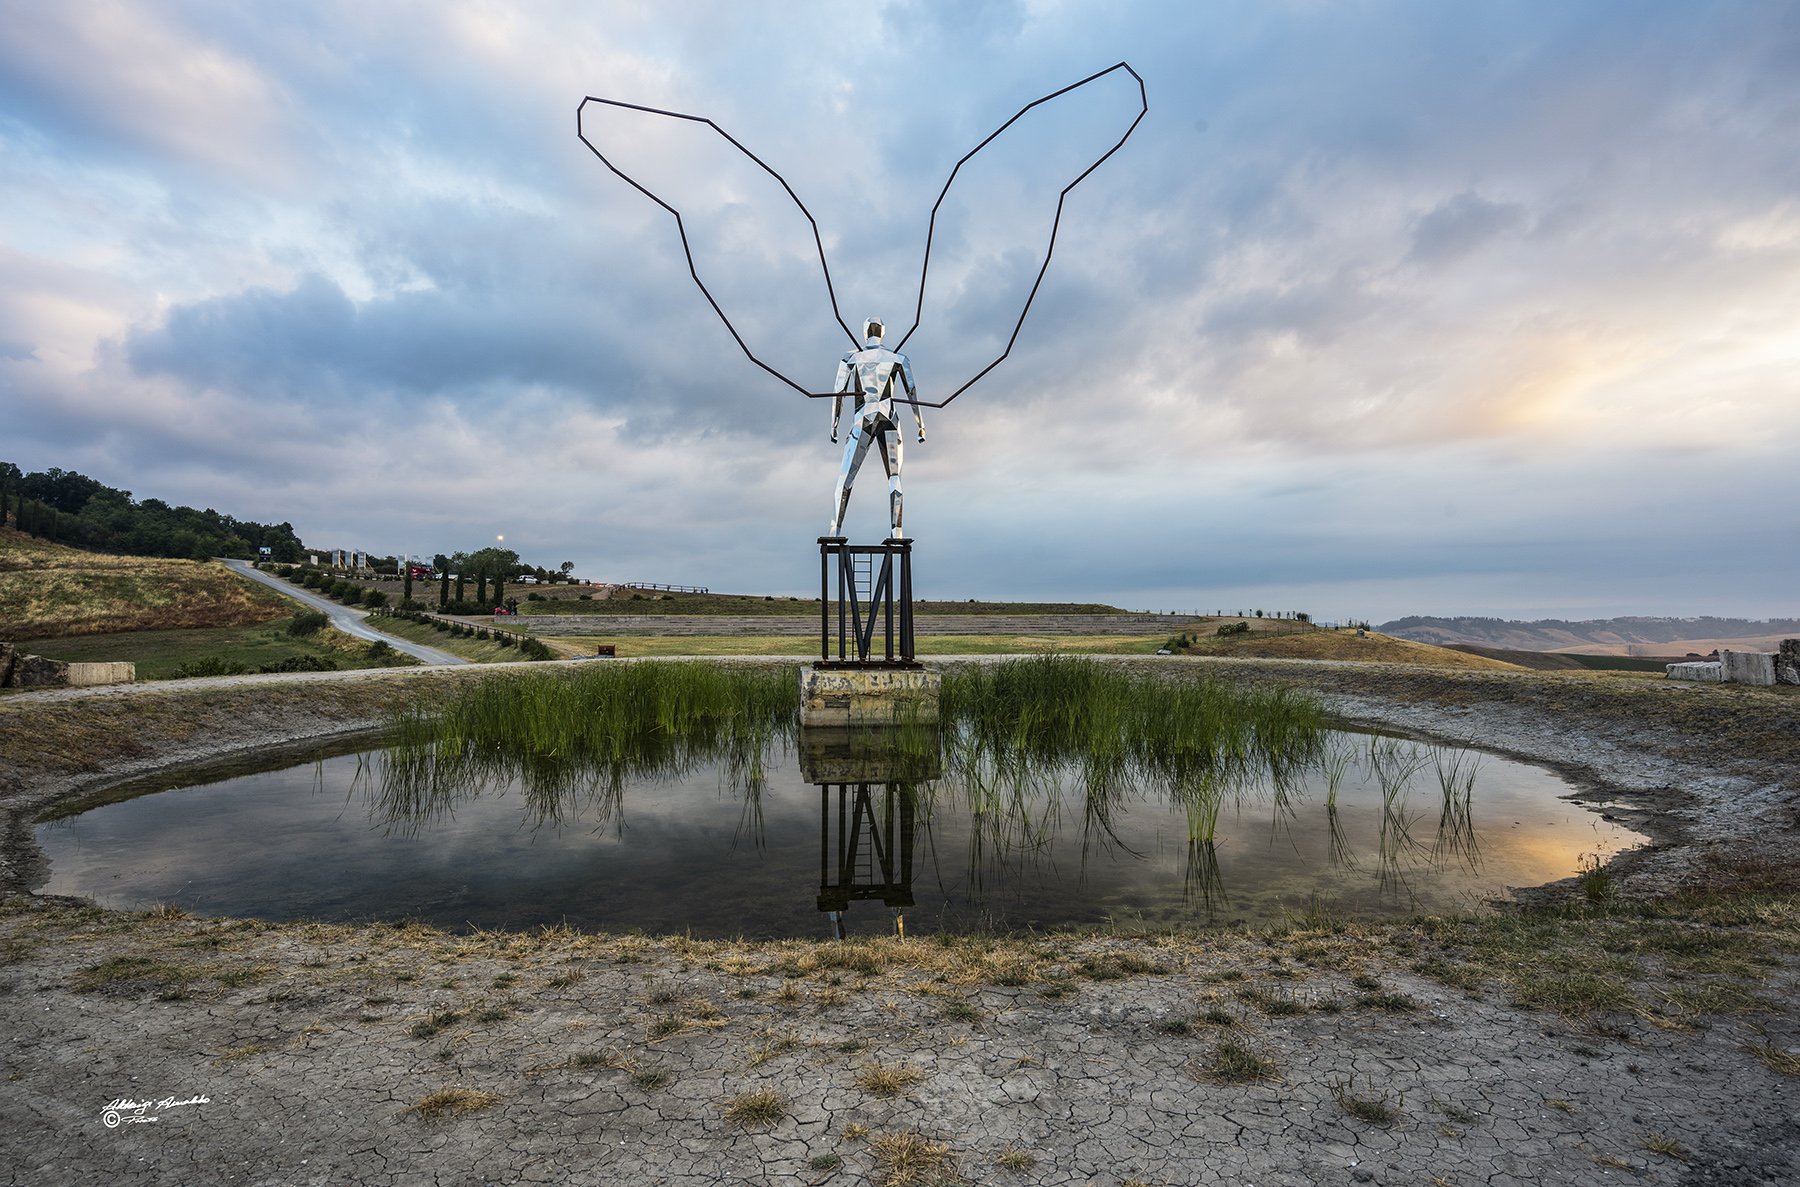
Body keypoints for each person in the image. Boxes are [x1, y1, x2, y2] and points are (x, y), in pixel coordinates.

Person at [829, 317, 924, 539]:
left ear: (864, 332)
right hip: (888, 416)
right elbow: (912, 393)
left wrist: (834, 424)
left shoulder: (852, 358)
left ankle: (835, 528)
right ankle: (896, 530)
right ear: (883, 332)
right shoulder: (897, 358)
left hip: (863, 417)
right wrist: (921, 425)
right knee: (894, 477)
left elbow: (838, 393)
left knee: (846, 476)